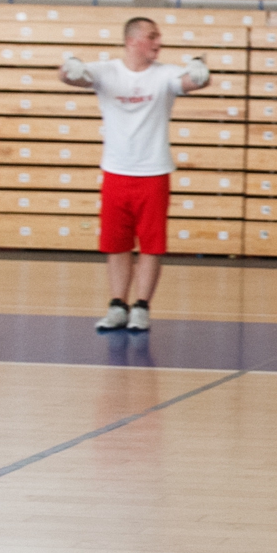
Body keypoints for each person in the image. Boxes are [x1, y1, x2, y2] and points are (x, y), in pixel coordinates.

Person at [58, 17, 210, 332]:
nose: (158, 42)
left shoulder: (165, 74)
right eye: (151, 37)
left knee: (152, 244)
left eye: (159, 37)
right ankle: (117, 304)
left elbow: (191, 82)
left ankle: (141, 306)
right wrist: (69, 67)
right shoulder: (107, 71)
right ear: (132, 41)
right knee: (116, 244)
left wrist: (200, 72)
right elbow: (74, 78)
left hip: (153, 172)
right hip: (116, 172)